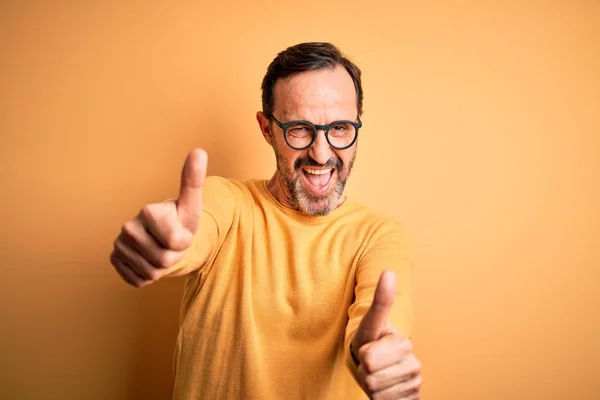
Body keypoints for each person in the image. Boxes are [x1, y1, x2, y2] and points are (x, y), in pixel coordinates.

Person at [110, 42, 422, 400]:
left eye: (339, 128)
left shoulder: (381, 236)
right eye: (300, 129)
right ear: (267, 128)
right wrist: (161, 244)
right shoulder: (227, 203)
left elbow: (383, 318)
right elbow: (193, 231)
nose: (321, 154)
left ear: (356, 127)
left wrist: (375, 353)